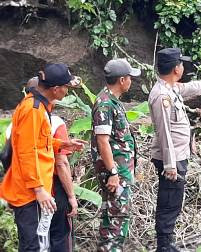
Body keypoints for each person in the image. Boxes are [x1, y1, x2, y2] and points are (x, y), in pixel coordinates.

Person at [148, 48, 201, 251]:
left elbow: (191, 88)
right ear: (176, 69)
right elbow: (164, 132)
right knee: (168, 202)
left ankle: (168, 242)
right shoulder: (161, 96)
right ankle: (164, 246)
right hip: (172, 159)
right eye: (182, 64)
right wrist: (170, 165)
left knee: (174, 200)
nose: (183, 67)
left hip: (178, 156)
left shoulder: (171, 88)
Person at [0, 63, 87, 252]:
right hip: (29, 193)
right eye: (66, 87)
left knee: (40, 245)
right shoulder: (33, 110)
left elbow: (39, 143)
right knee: (34, 247)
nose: (67, 91)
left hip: (33, 190)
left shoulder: (38, 107)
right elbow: (26, 152)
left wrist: (63, 144)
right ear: (56, 90)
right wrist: (39, 190)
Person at [90, 58, 141, 252]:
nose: (131, 81)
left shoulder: (111, 101)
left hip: (120, 171)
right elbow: (103, 141)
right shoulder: (105, 104)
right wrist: (112, 172)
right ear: (122, 80)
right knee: (116, 216)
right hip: (115, 173)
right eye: (130, 78)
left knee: (118, 214)